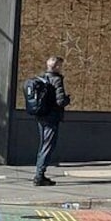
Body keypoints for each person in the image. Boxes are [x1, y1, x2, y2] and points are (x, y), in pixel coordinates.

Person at [34, 56, 71, 186]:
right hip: (52, 117)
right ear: (56, 67)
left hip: (41, 116)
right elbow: (60, 101)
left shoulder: (42, 78)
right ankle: (39, 176)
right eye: (60, 66)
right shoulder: (56, 80)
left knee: (43, 145)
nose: (62, 68)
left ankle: (39, 174)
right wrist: (67, 99)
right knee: (47, 147)